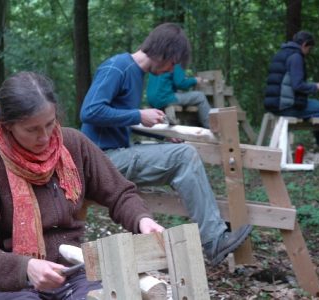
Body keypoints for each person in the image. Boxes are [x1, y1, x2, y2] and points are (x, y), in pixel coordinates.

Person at [0, 71, 164, 300]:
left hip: (72, 274)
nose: (44, 136)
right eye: (32, 129)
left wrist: (142, 219)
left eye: (49, 123)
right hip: (10, 283)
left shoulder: (74, 144)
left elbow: (119, 193)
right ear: (8, 126)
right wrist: (25, 267)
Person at [80, 22, 252, 267]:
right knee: (184, 156)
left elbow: (118, 117)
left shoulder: (136, 73)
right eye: (174, 64)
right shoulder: (117, 67)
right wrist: (139, 115)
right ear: (166, 54)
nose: (173, 69)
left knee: (180, 154)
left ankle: (214, 230)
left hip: (114, 155)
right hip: (98, 163)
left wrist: (162, 135)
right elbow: (90, 111)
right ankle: (214, 239)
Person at [264, 30, 319, 153]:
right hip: (287, 106)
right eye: (309, 49)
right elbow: (297, 86)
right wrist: (317, 86)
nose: (308, 52)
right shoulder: (296, 57)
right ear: (304, 44)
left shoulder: (282, 53)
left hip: (276, 104)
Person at [146, 63, 211, 128]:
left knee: (181, 93)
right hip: (164, 98)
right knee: (200, 96)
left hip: (152, 100)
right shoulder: (174, 61)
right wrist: (195, 80)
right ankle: (210, 127)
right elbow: (181, 83)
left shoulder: (157, 62)